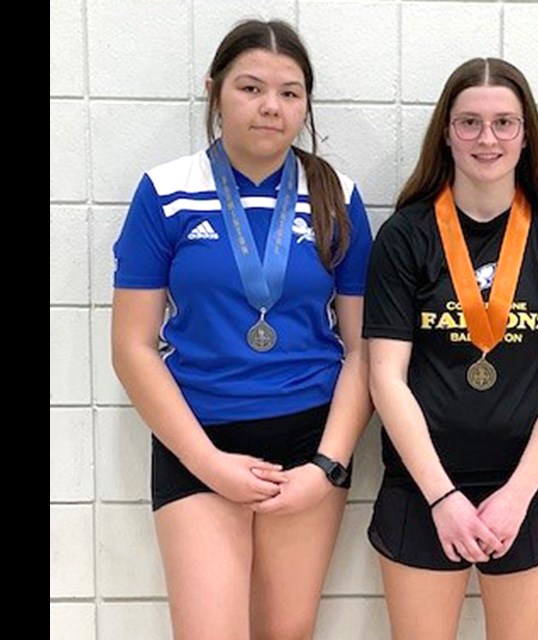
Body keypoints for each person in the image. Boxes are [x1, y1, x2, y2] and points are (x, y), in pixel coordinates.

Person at [110, 19, 373, 640]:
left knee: (287, 631)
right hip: (198, 435)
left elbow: (363, 351)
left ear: (306, 104)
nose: (270, 107)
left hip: (308, 438)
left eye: (289, 92)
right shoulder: (167, 193)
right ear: (215, 91)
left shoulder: (337, 195)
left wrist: (327, 465)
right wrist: (206, 461)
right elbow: (132, 347)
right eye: (251, 88)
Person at [363, 57, 538, 640]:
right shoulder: (405, 235)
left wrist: (517, 496)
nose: (486, 138)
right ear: (446, 132)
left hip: (529, 487)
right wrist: (442, 495)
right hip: (422, 485)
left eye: (503, 123)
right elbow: (385, 377)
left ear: (526, 135)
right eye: (469, 122)